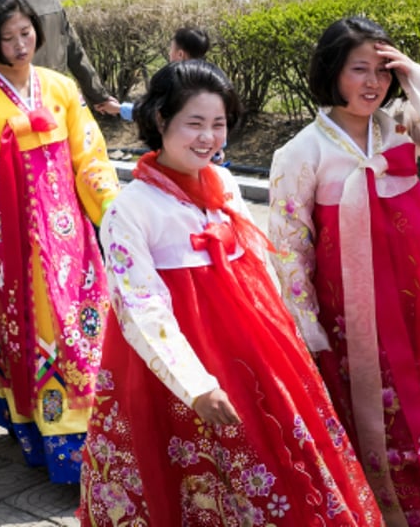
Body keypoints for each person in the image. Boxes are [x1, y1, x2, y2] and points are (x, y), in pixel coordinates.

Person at [80, 61, 383, 525]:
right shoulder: (131, 210)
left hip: (253, 349)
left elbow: (258, 262)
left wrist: (290, 327)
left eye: (218, 124)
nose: (208, 137)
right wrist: (195, 385)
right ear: (161, 120)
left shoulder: (221, 182)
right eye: (194, 124)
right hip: (183, 366)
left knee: (281, 460)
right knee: (196, 475)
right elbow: (140, 307)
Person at [268, 17, 420, 525]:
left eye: (383, 70)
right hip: (354, 323)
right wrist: (309, 332)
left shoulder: (403, 129)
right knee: (379, 423)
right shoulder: (300, 154)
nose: (373, 83)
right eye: (360, 69)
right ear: (332, 71)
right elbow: (289, 252)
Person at [0, 0, 121, 485]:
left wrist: (114, 215)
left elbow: (90, 157)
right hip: (11, 250)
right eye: (8, 37)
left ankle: (89, 437)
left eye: (26, 34)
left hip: (71, 241)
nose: (21, 46)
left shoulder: (62, 87)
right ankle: (48, 439)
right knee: (33, 335)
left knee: (79, 330)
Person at [119, 26, 211, 121]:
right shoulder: (213, 81)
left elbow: (153, 115)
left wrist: (119, 108)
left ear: (180, 54)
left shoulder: (173, 81)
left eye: (171, 49)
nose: (169, 53)